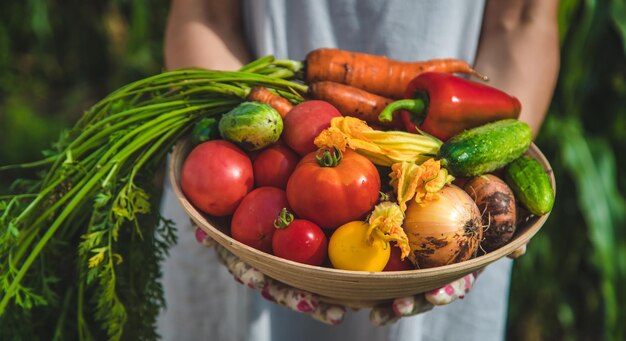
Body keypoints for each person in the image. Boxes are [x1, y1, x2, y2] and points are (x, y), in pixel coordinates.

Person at [157, 1, 560, 340]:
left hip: (444, 204)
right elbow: (206, 15)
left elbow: (524, 20)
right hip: (248, 187)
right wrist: (228, 228)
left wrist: (496, 180)